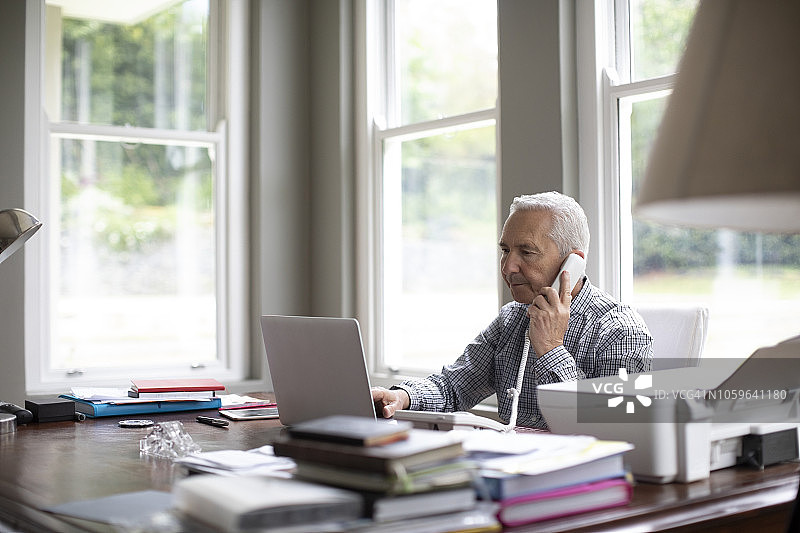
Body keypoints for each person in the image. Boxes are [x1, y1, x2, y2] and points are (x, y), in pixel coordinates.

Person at [371, 191, 653, 429]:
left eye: (526, 252)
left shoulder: (620, 330)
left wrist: (552, 349)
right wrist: (400, 396)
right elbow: (453, 387)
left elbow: (615, 427)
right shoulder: (512, 318)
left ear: (573, 263)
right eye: (505, 250)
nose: (508, 267)